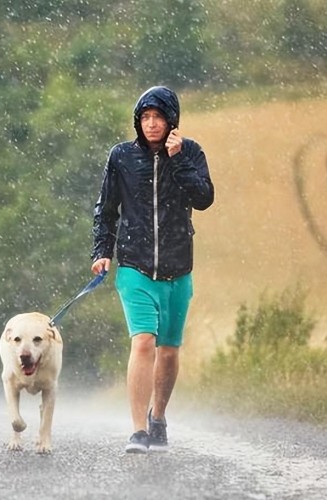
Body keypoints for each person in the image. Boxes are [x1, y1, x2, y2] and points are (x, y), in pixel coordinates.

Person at [90, 85, 214, 453]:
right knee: (143, 342)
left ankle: (158, 416)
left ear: (172, 120)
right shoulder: (122, 157)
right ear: (137, 122)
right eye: (145, 117)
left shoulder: (190, 152)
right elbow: (106, 209)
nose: (152, 124)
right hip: (135, 266)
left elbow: (204, 198)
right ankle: (138, 429)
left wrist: (178, 160)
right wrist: (102, 251)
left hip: (178, 268)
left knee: (169, 350)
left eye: (159, 117)